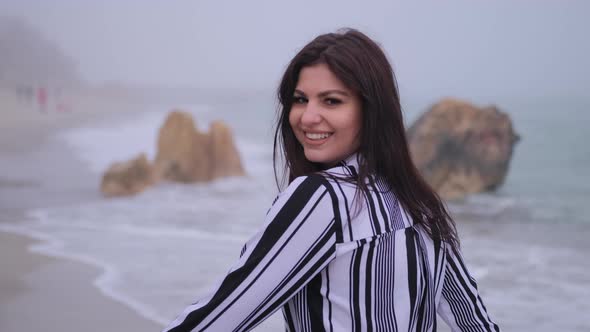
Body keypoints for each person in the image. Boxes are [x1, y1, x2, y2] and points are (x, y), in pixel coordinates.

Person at [163, 28, 500, 332]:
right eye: (300, 100)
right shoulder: (417, 200)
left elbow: (220, 316)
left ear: (371, 110)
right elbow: (476, 323)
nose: (308, 117)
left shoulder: (325, 199)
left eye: (332, 101)